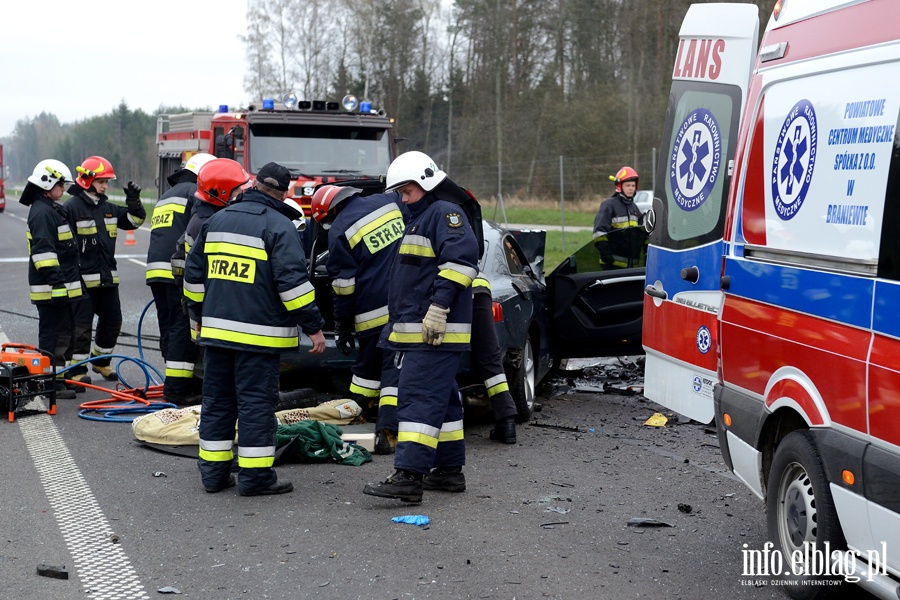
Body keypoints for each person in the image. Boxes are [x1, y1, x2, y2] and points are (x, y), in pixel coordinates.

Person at [183, 161, 326, 496]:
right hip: (258, 340)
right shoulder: (279, 226)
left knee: (217, 404)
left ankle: (214, 476)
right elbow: (293, 285)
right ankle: (255, 478)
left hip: (216, 337)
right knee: (255, 406)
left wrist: (199, 316)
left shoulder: (217, 219)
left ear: (254, 184)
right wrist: (314, 327)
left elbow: (193, 277)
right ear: (285, 193)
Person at [363, 151, 479, 503]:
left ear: (426, 184)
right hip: (425, 334)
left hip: (432, 333)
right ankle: (447, 472)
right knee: (442, 404)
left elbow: (461, 262)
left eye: (407, 191)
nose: (402, 198)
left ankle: (408, 477)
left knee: (416, 400)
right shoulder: (423, 217)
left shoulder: (443, 213)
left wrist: (439, 307)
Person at [310, 183, 407, 450]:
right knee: (392, 367)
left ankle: (374, 420)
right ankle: (373, 415)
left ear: (327, 214)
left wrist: (341, 324)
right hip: (406, 304)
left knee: (371, 364)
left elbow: (343, 286)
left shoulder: (339, 230)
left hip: (371, 314)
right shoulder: (389, 202)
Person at [65, 156, 146, 383]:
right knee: (81, 326)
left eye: (106, 182)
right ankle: (77, 370)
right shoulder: (71, 209)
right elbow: (64, 248)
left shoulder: (108, 208)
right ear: (87, 180)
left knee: (113, 320)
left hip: (108, 279)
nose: (104, 186)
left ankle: (100, 362)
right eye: (101, 181)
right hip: (81, 282)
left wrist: (134, 201)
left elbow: (135, 221)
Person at [146, 153, 215, 405]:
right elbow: (198, 232)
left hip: (156, 271)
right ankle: (177, 390)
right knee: (182, 328)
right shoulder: (195, 193)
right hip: (178, 270)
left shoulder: (167, 195)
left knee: (169, 325)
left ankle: (174, 380)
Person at [20, 160, 82, 400]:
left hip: (58, 287)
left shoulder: (50, 208)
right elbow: (44, 254)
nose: (64, 189)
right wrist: (57, 285)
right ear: (47, 184)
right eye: (61, 185)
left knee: (65, 331)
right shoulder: (42, 212)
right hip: (50, 288)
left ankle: (58, 376)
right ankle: (48, 382)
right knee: (51, 334)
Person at [592, 166, 644, 269]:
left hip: (632, 266)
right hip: (612, 265)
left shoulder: (634, 208)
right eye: (628, 185)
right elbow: (599, 232)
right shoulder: (609, 205)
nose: (631, 188)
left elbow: (642, 232)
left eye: (633, 185)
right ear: (620, 186)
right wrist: (606, 254)